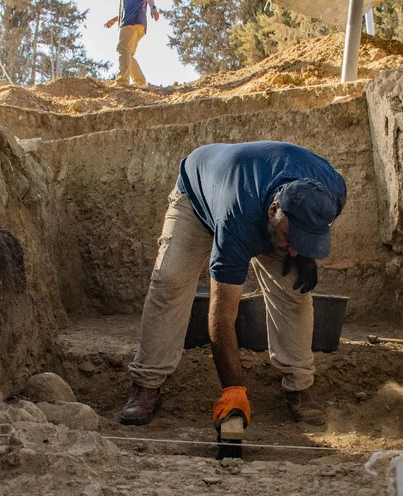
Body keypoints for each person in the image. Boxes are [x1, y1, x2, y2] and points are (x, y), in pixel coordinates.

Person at [120, 141, 348, 434]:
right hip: (198, 198)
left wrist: (303, 251)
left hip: (254, 195)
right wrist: (233, 390)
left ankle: (300, 385)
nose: (292, 251)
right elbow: (222, 315)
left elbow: (302, 232)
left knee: (294, 292)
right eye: (291, 239)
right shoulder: (236, 218)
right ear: (274, 210)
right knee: (169, 281)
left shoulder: (331, 192)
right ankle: (146, 384)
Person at [104, 0, 159, 87]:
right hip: (135, 21)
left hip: (131, 21)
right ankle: (139, 81)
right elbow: (128, 7)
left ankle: (122, 81)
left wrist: (153, 7)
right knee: (128, 53)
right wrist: (114, 20)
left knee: (122, 49)